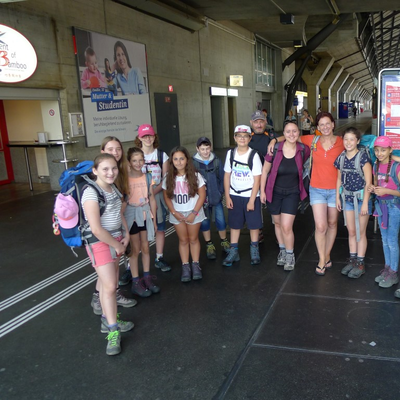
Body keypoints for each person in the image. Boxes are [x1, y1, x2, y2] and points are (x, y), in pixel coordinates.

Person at [268, 111, 344, 276]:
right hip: (317, 189)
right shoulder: (312, 140)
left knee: (332, 223)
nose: (325, 127)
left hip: (335, 190)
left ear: (333, 125)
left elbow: (355, 150)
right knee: (321, 226)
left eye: (328, 123)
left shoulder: (341, 142)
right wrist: (274, 140)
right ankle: (322, 260)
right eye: (321, 124)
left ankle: (327, 254)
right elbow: (291, 137)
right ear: (318, 127)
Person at [82, 153, 134, 356]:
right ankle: (113, 331)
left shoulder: (113, 188)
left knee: (106, 286)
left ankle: (108, 319)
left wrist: (126, 235)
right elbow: (96, 229)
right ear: (95, 171)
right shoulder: (90, 193)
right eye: (105, 169)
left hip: (116, 239)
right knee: (111, 286)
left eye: (113, 168)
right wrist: (117, 245)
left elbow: (119, 214)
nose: (110, 172)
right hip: (101, 243)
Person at [90, 137, 136, 316]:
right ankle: (101, 301)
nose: (115, 152)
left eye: (118, 149)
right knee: (107, 277)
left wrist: (125, 233)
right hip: (103, 236)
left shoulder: (120, 171)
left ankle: (109, 299)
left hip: (117, 229)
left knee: (113, 272)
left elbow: (119, 206)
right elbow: (96, 225)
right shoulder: (97, 183)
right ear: (102, 151)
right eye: (110, 149)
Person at [260, 121, 310, 270]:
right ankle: (282, 250)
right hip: (274, 192)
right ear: (284, 133)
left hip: (292, 193)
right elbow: (264, 171)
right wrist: (262, 191)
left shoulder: (303, 150)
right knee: (277, 224)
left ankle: (290, 254)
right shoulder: (275, 149)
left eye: (294, 131)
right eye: (288, 131)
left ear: (298, 133)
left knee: (286, 226)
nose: (291, 134)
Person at [162, 147, 206, 282]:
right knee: (183, 240)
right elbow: (166, 197)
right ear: (172, 161)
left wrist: (194, 213)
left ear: (187, 160)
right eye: (175, 159)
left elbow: (202, 195)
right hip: (177, 213)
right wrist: (174, 212)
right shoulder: (168, 177)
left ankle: (195, 264)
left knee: (193, 239)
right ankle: (185, 266)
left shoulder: (195, 175)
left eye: (182, 158)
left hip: (193, 211)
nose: (179, 162)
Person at [132, 124, 172, 274]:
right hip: (138, 197)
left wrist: (152, 192)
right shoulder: (135, 155)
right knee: (139, 230)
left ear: (154, 137)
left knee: (160, 227)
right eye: (144, 136)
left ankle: (159, 257)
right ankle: (133, 264)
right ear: (139, 138)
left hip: (157, 194)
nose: (148, 138)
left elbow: (165, 178)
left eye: (150, 135)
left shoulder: (161, 155)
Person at [334, 127, 372, 279]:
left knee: (360, 232)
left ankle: (360, 263)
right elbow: (339, 179)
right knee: (351, 231)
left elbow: (369, 182)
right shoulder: (341, 158)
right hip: (348, 199)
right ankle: (353, 259)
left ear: (357, 141)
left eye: (352, 139)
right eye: (346, 139)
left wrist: (365, 203)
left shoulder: (363, 158)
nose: (348, 142)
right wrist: (337, 197)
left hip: (362, 199)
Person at [223, 125, 263, 267]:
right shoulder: (230, 154)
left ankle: (254, 248)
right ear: (234, 138)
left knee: (253, 224)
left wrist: (252, 200)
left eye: (245, 136)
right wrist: (227, 196)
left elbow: (257, 179)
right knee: (235, 224)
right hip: (235, 194)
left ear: (250, 138)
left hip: (251, 195)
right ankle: (234, 250)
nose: (242, 138)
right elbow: (227, 175)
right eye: (239, 136)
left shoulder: (254, 155)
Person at [123, 147, 159, 298]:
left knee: (145, 247)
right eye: (134, 160)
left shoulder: (147, 177)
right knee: (135, 249)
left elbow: (151, 198)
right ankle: (136, 281)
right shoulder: (125, 179)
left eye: (140, 160)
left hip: (145, 213)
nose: (138, 163)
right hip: (131, 215)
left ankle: (147, 277)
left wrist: (154, 220)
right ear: (129, 162)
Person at [367, 136, 400, 294]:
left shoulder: (396, 167)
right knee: (384, 240)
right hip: (381, 206)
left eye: (383, 150)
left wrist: (387, 191)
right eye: (377, 150)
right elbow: (376, 184)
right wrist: (372, 188)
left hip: (394, 207)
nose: (379, 153)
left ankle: (393, 273)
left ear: (390, 150)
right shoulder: (376, 165)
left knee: (392, 240)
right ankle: (387, 269)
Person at [192, 137, 230, 259]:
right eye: (202, 149)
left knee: (221, 220)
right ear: (197, 149)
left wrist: (220, 192)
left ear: (210, 148)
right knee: (205, 222)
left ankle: (224, 241)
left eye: (207, 148)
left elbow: (222, 177)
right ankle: (209, 244)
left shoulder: (216, 161)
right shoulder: (193, 163)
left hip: (216, 197)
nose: (205, 151)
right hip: (201, 200)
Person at [249, 110, 277, 243]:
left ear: (265, 122)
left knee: (274, 205)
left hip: (270, 177)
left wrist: (274, 140)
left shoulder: (271, 135)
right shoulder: (247, 137)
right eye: (256, 122)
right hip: (252, 178)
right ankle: (258, 231)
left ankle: (279, 232)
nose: (259, 125)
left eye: (261, 121)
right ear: (251, 123)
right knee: (255, 205)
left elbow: (285, 138)